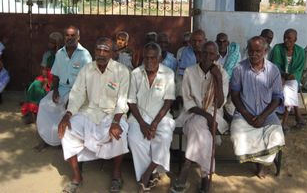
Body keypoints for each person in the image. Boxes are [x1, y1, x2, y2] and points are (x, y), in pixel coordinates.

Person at [58, 37, 130, 193]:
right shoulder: (87, 69)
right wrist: (67, 115)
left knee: (120, 133)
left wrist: (116, 122)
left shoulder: (122, 71)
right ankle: (77, 176)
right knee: (67, 130)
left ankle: (117, 174)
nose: (101, 54)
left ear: (112, 53)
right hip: (89, 112)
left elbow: (122, 101)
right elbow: (77, 95)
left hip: (112, 114)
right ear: (94, 51)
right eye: (99, 50)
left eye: (106, 50)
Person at [171, 41, 229, 193]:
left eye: (212, 54)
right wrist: (207, 117)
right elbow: (188, 101)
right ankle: (205, 176)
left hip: (214, 114)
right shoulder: (190, 71)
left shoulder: (222, 73)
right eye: (205, 53)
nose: (208, 57)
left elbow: (220, 103)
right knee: (202, 129)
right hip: (191, 113)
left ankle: (187, 164)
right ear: (199, 55)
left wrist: (217, 79)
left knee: (199, 128)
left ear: (217, 56)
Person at [230, 36, 285, 179]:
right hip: (244, 113)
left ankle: (261, 164)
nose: (254, 54)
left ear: (265, 51)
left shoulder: (273, 70)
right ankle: (258, 162)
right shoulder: (239, 69)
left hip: (267, 114)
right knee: (238, 135)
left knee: (277, 135)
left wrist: (263, 116)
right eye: (251, 51)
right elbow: (234, 95)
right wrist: (246, 114)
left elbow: (277, 97)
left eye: (258, 51)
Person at [127, 42, 175, 192]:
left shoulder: (168, 74)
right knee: (134, 139)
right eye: (146, 58)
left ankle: (146, 174)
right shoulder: (135, 73)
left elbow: (168, 101)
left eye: (153, 58)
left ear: (160, 58)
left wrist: (154, 124)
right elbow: (131, 101)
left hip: (161, 117)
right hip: (139, 116)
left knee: (165, 137)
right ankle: (153, 172)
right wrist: (142, 123)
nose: (149, 61)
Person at [36, 26, 92, 150]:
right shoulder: (60, 53)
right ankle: (47, 138)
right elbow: (55, 74)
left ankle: (63, 141)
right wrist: (55, 91)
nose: (70, 38)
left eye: (73, 36)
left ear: (78, 37)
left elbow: (88, 80)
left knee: (67, 109)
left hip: (77, 91)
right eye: (67, 35)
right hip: (61, 89)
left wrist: (75, 98)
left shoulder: (85, 55)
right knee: (44, 104)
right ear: (64, 37)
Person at [21, 32, 64, 124]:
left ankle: (40, 114)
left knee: (46, 91)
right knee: (35, 85)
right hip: (47, 76)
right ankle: (31, 112)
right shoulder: (47, 54)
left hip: (58, 79)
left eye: (52, 43)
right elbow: (44, 68)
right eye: (49, 42)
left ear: (57, 44)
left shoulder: (63, 55)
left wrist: (54, 81)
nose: (49, 44)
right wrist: (45, 79)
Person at [270, 29, 306, 132]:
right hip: (279, 76)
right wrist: (284, 74)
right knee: (286, 89)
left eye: (289, 38)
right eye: (285, 37)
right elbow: (275, 65)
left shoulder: (300, 51)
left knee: (290, 88)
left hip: (293, 78)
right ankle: (297, 116)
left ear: (295, 39)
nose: (286, 40)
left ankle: (284, 121)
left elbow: (299, 69)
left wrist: (293, 75)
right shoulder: (278, 48)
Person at [215, 32, 241, 121]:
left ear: (228, 43)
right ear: (216, 42)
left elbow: (236, 73)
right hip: (215, 84)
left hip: (231, 84)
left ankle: (228, 115)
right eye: (219, 42)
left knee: (232, 101)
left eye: (224, 41)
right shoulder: (212, 54)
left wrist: (229, 86)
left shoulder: (235, 55)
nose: (222, 44)